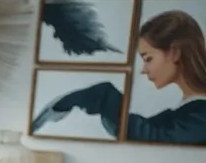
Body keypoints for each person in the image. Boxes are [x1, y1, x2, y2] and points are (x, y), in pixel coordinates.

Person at [31, 10, 206, 144]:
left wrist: (103, 95)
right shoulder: (189, 112)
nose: (144, 69)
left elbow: (151, 137)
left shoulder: (200, 115)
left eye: (148, 59)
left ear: (174, 53)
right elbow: (139, 129)